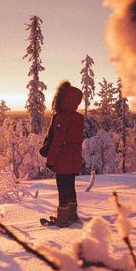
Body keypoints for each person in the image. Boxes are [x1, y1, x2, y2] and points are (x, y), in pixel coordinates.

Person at [40, 80, 84, 227]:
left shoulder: (62, 117)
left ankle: (63, 218)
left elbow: (58, 141)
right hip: (74, 159)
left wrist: (50, 160)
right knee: (70, 186)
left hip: (63, 159)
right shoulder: (78, 117)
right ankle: (72, 215)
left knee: (62, 188)